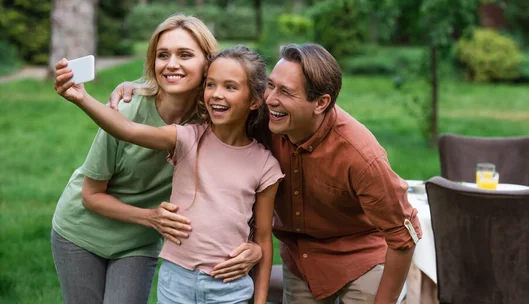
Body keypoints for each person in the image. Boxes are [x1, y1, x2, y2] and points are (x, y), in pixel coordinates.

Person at [108, 43, 422, 303]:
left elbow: (402, 238)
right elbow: (223, 82)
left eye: (285, 92)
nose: (271, 99)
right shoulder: (266, 120)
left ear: (321, 102)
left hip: (360, 258)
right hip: (301, 258)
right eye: (270, 86)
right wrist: (144, 88)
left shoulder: (360, 155)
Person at [51, 15, 262, 304]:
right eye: (163, 55)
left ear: (208, 63)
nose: (171, 64)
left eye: (185, 54)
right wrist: (150, 217)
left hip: (139, 240)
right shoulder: (125, 108)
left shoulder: (214, 118)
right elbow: (90, 196)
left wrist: (256, 246)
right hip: (81, 230)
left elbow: (243, 181)